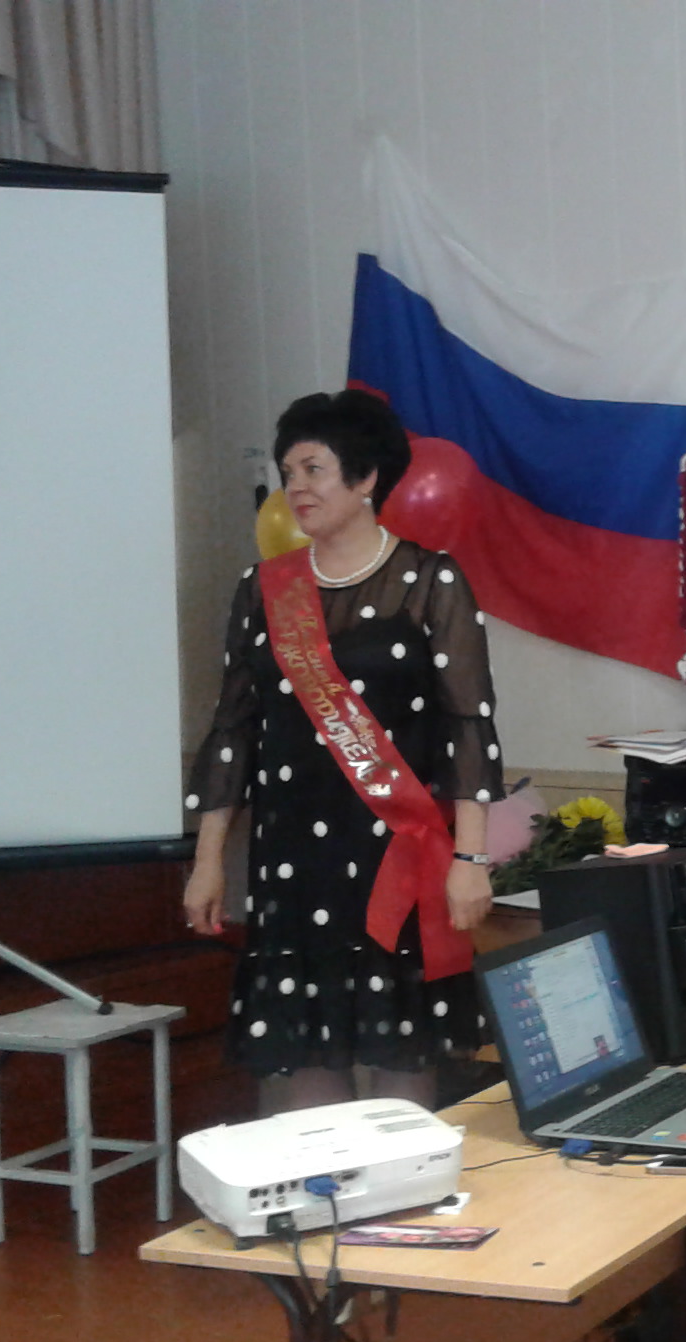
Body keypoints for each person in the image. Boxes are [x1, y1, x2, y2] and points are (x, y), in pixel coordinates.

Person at [181, 389, 505, 1115]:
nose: (296, 488)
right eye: (287, 472)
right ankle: (327, 1187)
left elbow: (468, 725)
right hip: (293, 862)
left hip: (396, 856)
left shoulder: (430, 581)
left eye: (313, 470)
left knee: (398, 1050)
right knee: (306, 1050)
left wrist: (471, 857)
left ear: (366, 480)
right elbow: (232, 731)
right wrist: (208, 860)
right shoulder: (264, 591)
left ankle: (400, 1190)